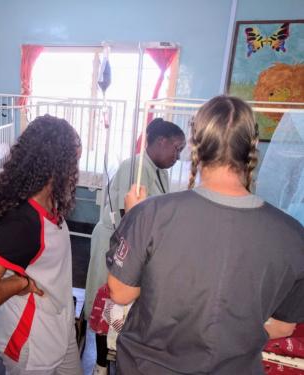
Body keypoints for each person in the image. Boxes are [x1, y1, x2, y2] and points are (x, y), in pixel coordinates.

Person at [107, 95, 304, 374]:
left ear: (194, 145)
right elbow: (284, 325)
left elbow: (121, 292)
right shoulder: (292, 235)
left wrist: (134, 220)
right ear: (254, 146)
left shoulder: (151, 215)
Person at [0, 114, 83, 374]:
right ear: (56, 165)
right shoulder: (24, 221)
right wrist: (21, 283)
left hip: (59, 324)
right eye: (73, 162)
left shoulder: (51, 201)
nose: (76, 171)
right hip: (32, 339)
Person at [84, 118, 185, 374]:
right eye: (176, 148)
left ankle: (115, 356)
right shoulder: (135, 167)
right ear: (160, 142)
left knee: (122, 305)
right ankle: (99, 364)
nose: (178, 155)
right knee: (106, 303)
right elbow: (128, 214)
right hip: (115, 241)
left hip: (135, 244)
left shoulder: (159, 171)